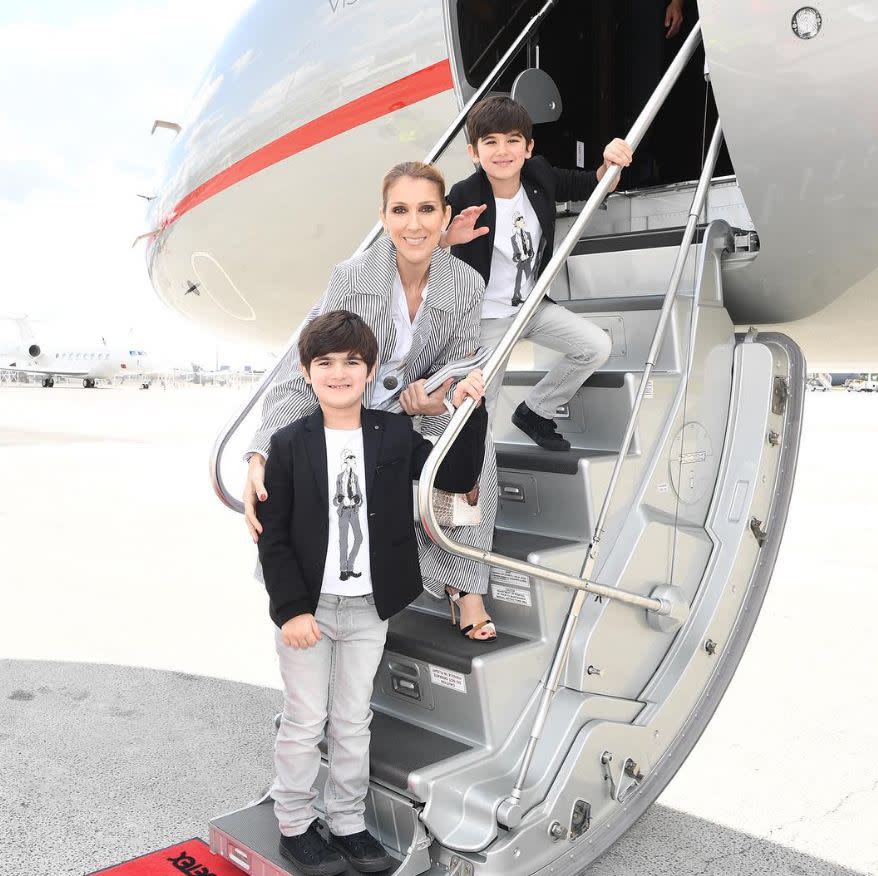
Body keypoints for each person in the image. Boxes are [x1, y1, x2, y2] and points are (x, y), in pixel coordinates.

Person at [256, 310, 488, 875]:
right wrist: (290, 610)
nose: (339, 373)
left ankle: (346, 822)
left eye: (352, 362)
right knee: (305, 720)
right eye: (326, 363)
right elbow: (273, 534)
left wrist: (469, 410)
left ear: (370, 370)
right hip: (309, 610)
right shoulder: (288, 444)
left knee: (353, 719)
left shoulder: (391, 434)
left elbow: (454, 474)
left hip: (367, 608)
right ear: (307, 373)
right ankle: (293, 822)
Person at [245, 161, 498, 641]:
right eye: (400, 210)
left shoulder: (466, 284)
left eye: (426, 209)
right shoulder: (350, 277)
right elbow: (304, 367)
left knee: (472, 446)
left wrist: (436, 401)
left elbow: (462, 363)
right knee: (307, 466)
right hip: (352, 412)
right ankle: (308, 594)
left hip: (416, 413)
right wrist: (260, 450)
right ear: (383, 217)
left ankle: (464, 585)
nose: (414, 223)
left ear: (445, 215)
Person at [443, 96, 634, 449]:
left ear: (528, 148)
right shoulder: (464, 194)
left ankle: (536, 410)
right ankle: (476, 494)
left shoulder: (539, 174)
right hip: (486, 319)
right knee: (479, 411)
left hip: (531, 308)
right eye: (490, 142)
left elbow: (590, 185)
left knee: (595, 346)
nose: (503, 151)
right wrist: (446, 239)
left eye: (513, 140)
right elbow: (425, 240)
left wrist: (610, 165)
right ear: (474, 152)